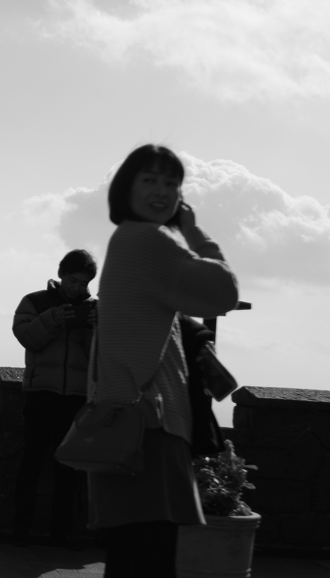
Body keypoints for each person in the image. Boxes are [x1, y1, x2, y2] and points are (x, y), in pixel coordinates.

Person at [89, 144, 238, 577]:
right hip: (150, 428)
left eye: (172, 183)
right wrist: (194, 233)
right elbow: (222, 291)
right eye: (150, 180)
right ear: (126, 188)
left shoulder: (126, 240)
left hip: (127, 420)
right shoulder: (147, 239)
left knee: (128, 558)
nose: (162, 191)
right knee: (150, 560)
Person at [11, 249, 97, 548]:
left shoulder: (94, 308)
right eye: (73, 280)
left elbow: (99, 358)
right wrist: (55, 318)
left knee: (69, 468)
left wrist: (97, 327)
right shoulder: (35, 301)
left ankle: (62, 532)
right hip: (41, 394)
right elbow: (28, 338)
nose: (77, 288)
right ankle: (20, 530)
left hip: (76, 397)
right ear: (61, 274)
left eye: (83, 283)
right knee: (32, 462)